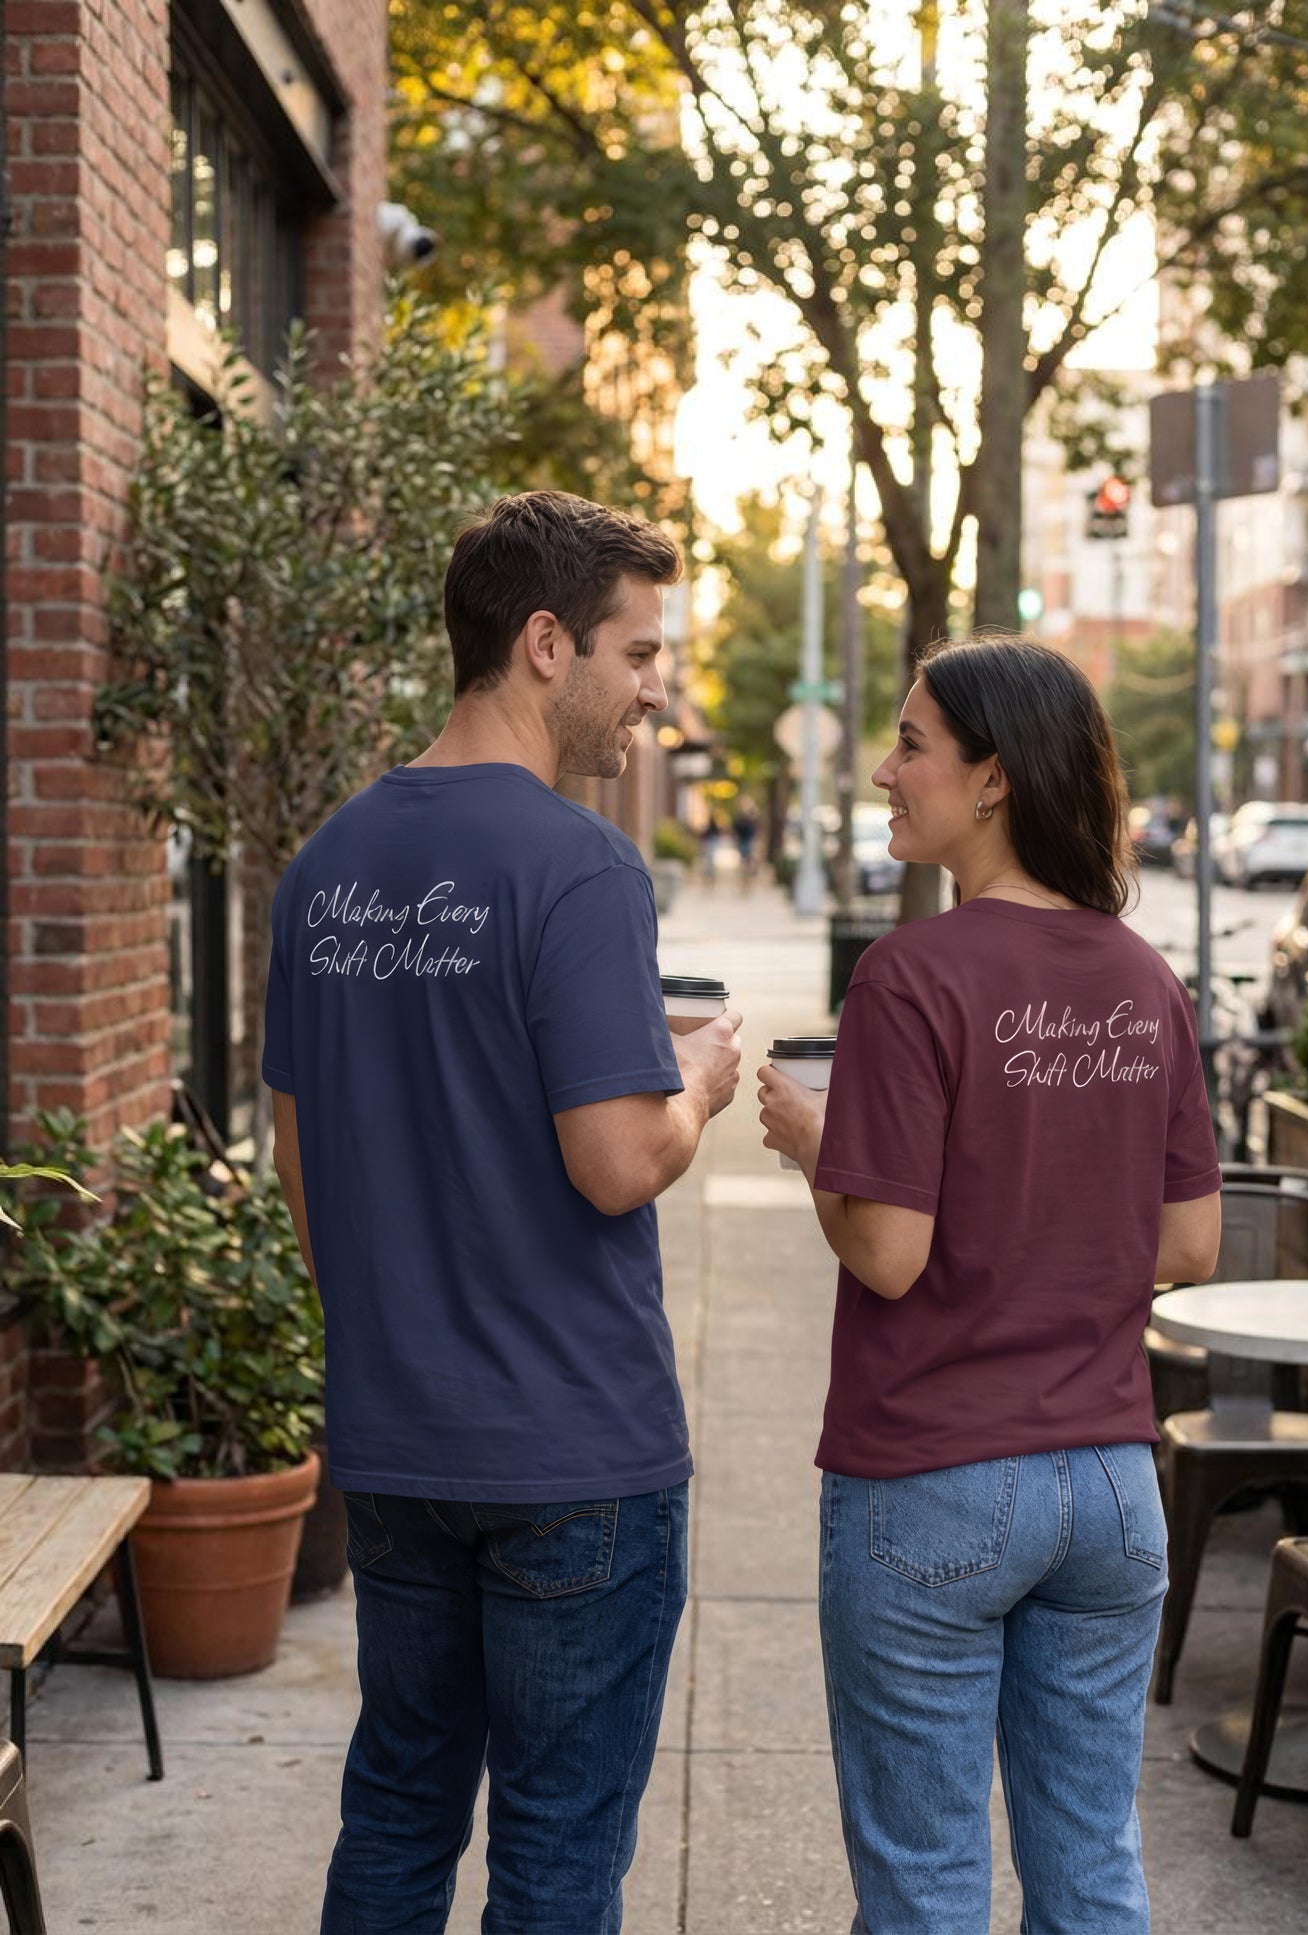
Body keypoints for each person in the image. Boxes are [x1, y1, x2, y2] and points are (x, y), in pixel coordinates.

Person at [264, 490, 743, 1935]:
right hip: (571, 1456)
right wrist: (698, 1086)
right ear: (546, 644)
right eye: (639, 653)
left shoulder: (323, 865)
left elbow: (303, 1161)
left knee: (399, 1809)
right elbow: (614, 1161)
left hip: (398, 1444)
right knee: (553, 1851)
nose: (654, 692)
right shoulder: (578, 865)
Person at [757, 635, 1221, 1934]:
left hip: (930, 1483)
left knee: (924, 1886)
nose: (885, 770)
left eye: (910, 744)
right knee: (1090, 1870)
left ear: (995, 778)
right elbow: (1189, 1248)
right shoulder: (1143, 980)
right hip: (1109, 1490)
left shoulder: (912, 977)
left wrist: (813, 1146)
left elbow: (888, 1252)